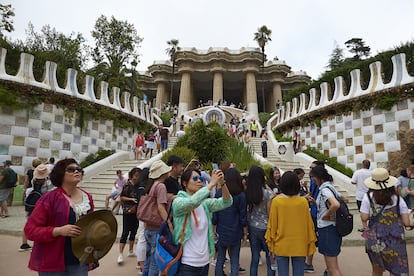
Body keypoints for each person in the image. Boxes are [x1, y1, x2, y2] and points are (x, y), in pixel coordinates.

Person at [24, 158, 94, 275]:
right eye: (71, 169)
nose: (77, 171)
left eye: (79, 169)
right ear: (60, 174)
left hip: (79, 261)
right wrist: (58, 231)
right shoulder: (49, 198)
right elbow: (30, 230)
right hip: (53, 262)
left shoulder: (87, 197)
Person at [172, 168, 232, 275]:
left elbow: (227, 202)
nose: (199, 181)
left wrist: (222, 183)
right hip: (187, 263)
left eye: (200, 178)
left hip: (204, 262)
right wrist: (212, 183)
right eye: (195, 178)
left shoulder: (204, 204)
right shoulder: (178, 202)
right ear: (185, 183)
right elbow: (192, 202)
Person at [360, 168, 411, 276]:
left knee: (377, 271)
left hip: (375, 239)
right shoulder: (398, 199)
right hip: (395, 239)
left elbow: (364, 217)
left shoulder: (368, 197)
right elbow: (406, 222)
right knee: (396, 269)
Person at [266, 171, 317, 276]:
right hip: (299, 243)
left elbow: (273, 225)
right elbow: (308, 225)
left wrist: (271, 243)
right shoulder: (303, 202)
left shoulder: (276, 202)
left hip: (281, 243)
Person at [212, 168, 247, 276]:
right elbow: (242, 216)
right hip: (235, 231)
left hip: (221, 230)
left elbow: (215, 214)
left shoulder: (219, 194)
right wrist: (245, 232)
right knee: (235, 259)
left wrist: (213, 228)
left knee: (220, 258)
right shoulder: (241, 195)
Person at [311, 166, 344, 276]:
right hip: (332, 229)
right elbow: (343, 199)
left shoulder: (325, 190)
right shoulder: (330, 187)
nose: (313, 180)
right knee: (331, 268)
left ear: (319, 177)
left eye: (314, 178)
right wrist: (317, 203)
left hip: (327, 229)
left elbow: (335, 204)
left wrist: (326, 215)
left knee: (332, 268)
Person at [245, 166, 275, 276]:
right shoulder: (267, 194)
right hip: (266, 227)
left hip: (252, 226)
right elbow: (269, 213)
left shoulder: (248, 193)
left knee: (255, 257)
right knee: (270, 257)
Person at [142, 160, 171, 276]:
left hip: (148, 228)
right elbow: (161, 207)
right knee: (155, 262)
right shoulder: (161, 186)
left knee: (148, 260)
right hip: (156, 229)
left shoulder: (153, 185)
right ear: (163, 173)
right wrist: (169, 224)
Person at [20, 164, 53, 252]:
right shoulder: (47, 183)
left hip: (31, 206)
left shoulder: (33, 181)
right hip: (40, 207)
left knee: (28, 224)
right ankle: (36, 245)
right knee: (39, 226)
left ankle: (24, 244)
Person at [304, 160, 326, 273]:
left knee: (311, 238)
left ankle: (309, 263)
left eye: (312, 168)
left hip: (316, 213)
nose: (310, 170)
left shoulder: (315, 180)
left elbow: (311, 194)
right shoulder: (325, 182)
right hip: (318, 213)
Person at [117, 167, 141, 265]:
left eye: (138, 175)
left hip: (137, 211)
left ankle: (131, 250)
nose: (137, 177)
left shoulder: (139, 185)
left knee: (134, 230)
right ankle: (120, 254)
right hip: (128, 211)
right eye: (135, 175)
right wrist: (131, 199)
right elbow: (121, 197)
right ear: (132, 175)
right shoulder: (127, 185)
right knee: (125, 232)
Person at [134, 168, 149, 274]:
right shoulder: (143, 187)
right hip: (144, 214)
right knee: (142, 237)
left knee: (142, 237)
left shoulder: (139, 185)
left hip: (141, 213)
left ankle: (140, 262)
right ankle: (141, 264)